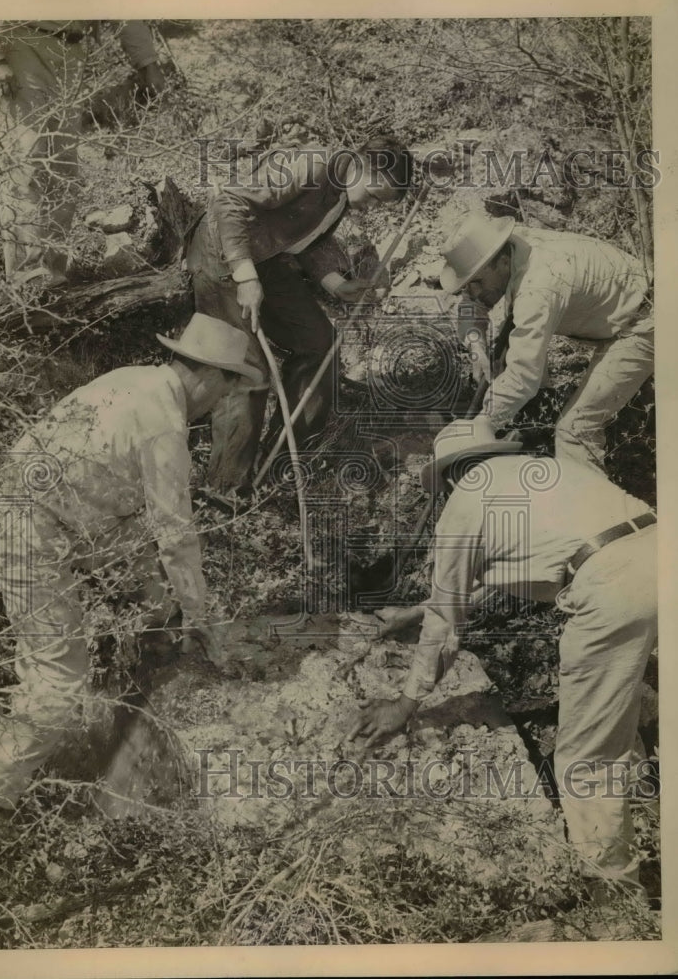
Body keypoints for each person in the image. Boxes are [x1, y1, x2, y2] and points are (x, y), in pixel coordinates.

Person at [349, 417, 657, 903]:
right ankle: (651, 820)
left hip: (614, 590)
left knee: (586, 758)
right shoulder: (551, 471)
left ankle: (619, 898)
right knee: (630, 703)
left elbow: (443, 625)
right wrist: (421, 608)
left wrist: (406, 704)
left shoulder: (464, 499)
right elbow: (519, 565)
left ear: (449, 474)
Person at [0, 315, 262, 810]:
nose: (218, 406)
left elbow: (124, 512)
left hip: (61, 511)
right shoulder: (164, 424)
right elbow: (175, 534)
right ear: (211, 376)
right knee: (59, 677)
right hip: (27, 527)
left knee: (153, 590)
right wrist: (201, 613)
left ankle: (140, 675)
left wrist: (163, 600)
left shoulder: (131, 378)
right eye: (226, 392)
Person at [186, 136, 414, 493]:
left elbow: (311, 238)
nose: (369, 208)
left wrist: (336, 285)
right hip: (222, 259)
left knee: (319, 342)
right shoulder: (309, 165)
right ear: (364, 165)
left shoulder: (341, 192)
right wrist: (244, 275)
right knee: (249, 371)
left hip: (266, 262)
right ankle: (227, 489)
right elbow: (228, 203)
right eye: (372, 197)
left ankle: (285, 461)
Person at [438, 212, 653, 472]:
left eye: (477, 283)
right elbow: (473, 301)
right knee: (510, 368)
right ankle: (535, 428)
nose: (473, 293)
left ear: (503, 263)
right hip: (612, 307)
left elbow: (523, 374)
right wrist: (475, 345)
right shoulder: (509, 246)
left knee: (574, 430)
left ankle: (596, 508)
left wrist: (484, 423)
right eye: (468, 285)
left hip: (642, 322)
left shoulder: (539, 287)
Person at [0, 21, 166, 289]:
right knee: (27, 163)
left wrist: (148, 63)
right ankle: (29, 282)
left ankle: (54, 279)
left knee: (62, 167)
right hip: (21, 42)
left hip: (72, 51)